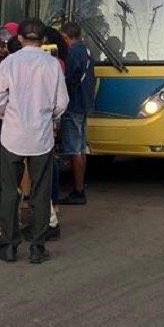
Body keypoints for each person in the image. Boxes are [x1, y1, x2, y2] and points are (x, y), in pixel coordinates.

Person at [0, 18, 68, 265]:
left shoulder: (9, 63)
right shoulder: (52, 64)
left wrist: (7, 115)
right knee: (40, 192)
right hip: (41, 136)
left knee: (9, 191)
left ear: (20, 38)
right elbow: (62, 103)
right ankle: (37, 246)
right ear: (43, 40)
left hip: (12, 135)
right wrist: (49, 116)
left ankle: (8, 245)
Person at [60, 21, 97, 205]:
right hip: (85, 104)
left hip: (74, 104)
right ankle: (80, 186)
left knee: (74, 149)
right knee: (81, 148)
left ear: (66, 37)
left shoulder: (73, 53)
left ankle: (78, 190)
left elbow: (69, 79)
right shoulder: (87, 50)